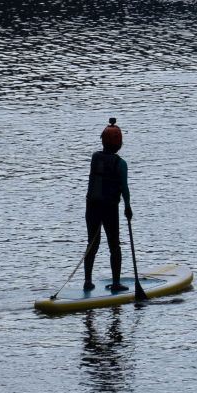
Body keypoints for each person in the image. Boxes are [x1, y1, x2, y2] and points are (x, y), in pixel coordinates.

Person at [84, 119, 132, 292]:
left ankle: (87, 281)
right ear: (119, 144)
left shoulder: (95, 158)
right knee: (114, 246)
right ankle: (116, 283)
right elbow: (124, 188)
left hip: (92, 207)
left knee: (92, 243)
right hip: (109, 209)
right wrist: (128, 207)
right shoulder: (121, 164)